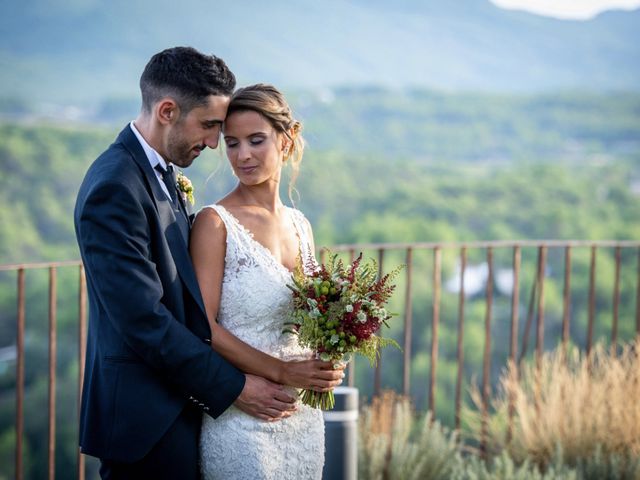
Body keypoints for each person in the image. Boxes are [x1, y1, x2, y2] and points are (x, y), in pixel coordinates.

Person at [74, 47, 341, 479]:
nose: (220, 145)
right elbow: (144, 321)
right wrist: (238, 386)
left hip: (202, 409)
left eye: (247, 138)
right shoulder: (116, 187)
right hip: (148, 419)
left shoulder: (161, 175)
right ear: (167, 111)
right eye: (213, 127)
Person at [191, 84, 333, 479]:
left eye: (256, 140)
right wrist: (282, 372)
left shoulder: (301, 225)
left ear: (286, 141)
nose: (243, 155)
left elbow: (317, 317)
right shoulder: (214, 223)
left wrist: (331, 354)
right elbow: (203, 326)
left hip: (302, 418)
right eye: (232, 143)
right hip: (243, 418)